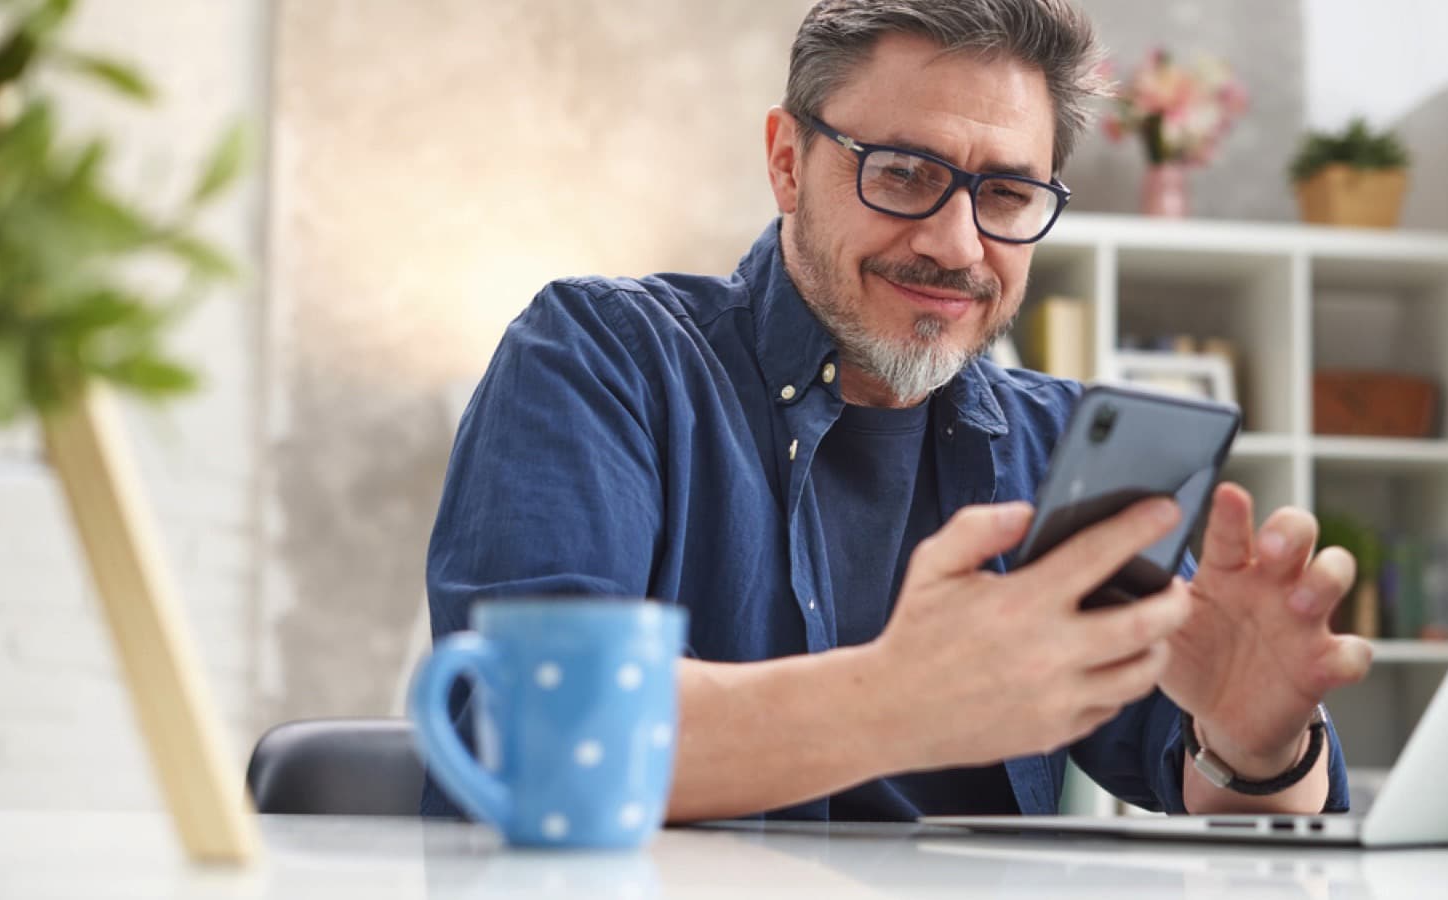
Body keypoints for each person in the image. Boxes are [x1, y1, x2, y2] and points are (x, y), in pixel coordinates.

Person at [423, 0, 1373, 822]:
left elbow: (1233, 809)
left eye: (1006, 194)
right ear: (788, 163)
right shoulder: (602, 357)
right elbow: (536, 739)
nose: (957, 246)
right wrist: (901, 700)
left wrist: (1257, 742)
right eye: (904, 173)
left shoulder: (1061, 446)